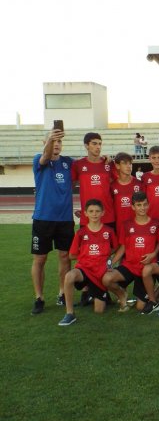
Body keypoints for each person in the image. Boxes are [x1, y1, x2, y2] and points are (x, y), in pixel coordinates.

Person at [31, 122, 74, 314]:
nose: (56, 144)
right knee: (40, 258)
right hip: (43, 219)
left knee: (65, 257)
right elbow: (46, 156)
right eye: (52, 141)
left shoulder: (68, 163)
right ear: (45, 142)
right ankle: (39, 297)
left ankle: (62, 293)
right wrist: (49, 139)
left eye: (58, 141)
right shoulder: (39, 160)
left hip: (65, 219)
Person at [58, 199, 117, 326]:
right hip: (84, 269)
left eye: (97, 211)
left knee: (99, 310)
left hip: (100, 272)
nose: (94, 214)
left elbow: (115, 247)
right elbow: (72, 255)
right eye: (91, 211)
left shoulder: (109, 231)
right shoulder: (81, 233)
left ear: (103, 213)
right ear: (85, 213)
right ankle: (69, 313)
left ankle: (100, 294)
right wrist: (87, 254)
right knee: (69, 276)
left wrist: (105, 256)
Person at [102, 191, 159, 312]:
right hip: (129, 266)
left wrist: (153, 254)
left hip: (146, 268)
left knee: (140, 307)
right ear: (133, 207)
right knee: (107, 279)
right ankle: (122, 295)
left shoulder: (156, 224)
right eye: (139, 205)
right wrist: (112, 263)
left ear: (148, 205)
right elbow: (123, 247)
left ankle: (157, 290)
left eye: (145, 204)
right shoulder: (127, 225)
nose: (142, 208)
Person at [71, 132, 115, 228]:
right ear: (86, 146)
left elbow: (116, 187)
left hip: (107, 216)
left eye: (100, 144)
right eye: (94, 144)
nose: (98, 147)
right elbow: (70, 187)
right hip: (87, 218)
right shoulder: (78, 164)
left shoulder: (109, 164)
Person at [110, 152, 143, 236]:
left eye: (130, 163)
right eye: (124, 163)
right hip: (119, 228)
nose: (129, 166)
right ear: (117, 166)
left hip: (137, 227)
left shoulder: (139, 184)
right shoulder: (112, 186)